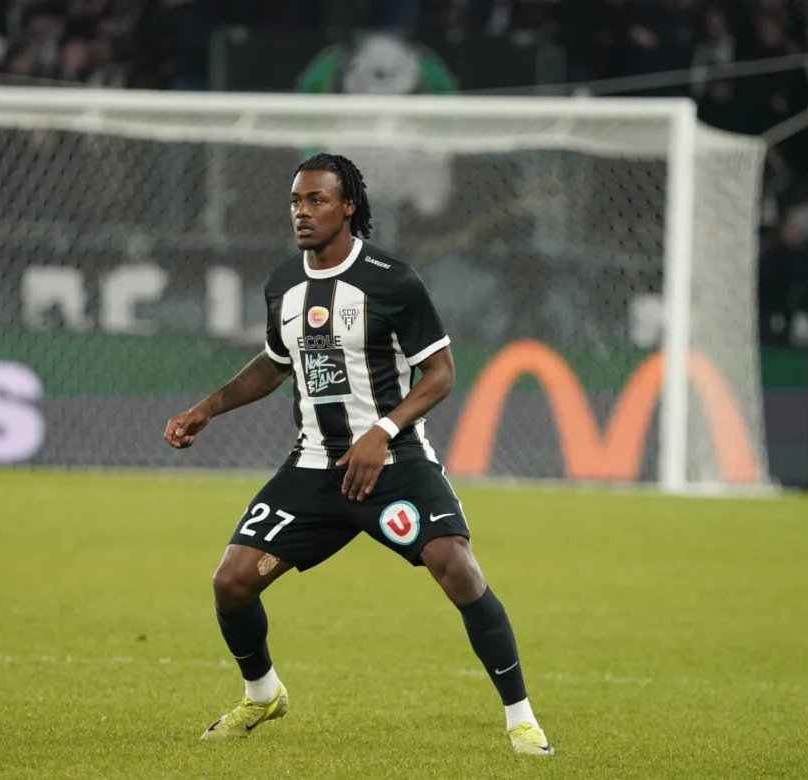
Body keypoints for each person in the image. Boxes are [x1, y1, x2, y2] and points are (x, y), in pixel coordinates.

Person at [163, 153, 553, 756]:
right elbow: (275, 363)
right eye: (296, 201)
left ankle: (522, 720)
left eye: (316, 200)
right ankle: (263, 693)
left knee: (457, 568)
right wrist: (207, 409)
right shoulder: (283, 283)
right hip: (315, 468)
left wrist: (384, 430)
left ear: (348, 206)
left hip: (394, 465)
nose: (302, 212)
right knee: (232, 582)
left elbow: (441, 373)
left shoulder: (392, 281)